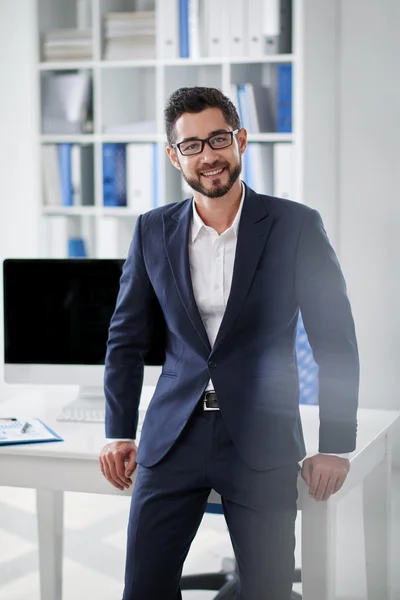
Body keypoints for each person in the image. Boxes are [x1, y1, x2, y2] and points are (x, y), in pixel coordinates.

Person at [99, 86, 359, 600]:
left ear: (240, 139)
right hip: (173, 436)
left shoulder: (295, 225)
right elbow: (125, 338)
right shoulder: (153, 229)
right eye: (191, 145)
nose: (208, 156)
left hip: (262, 437)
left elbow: (335, 340)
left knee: (266, 591)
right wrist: (117, 430)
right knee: (143, 590)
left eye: (218, 139)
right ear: (175, 157)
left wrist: (335, 445)